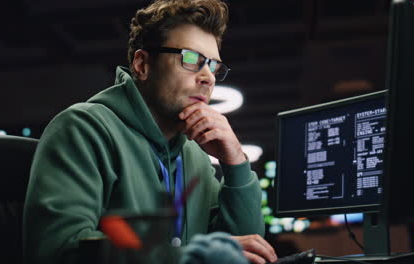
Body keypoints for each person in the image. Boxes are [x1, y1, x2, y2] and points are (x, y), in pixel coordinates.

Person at [23, 0, 278, 263]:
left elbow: (246, 252)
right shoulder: (82, 129)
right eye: (191, 59)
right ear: (142, 65)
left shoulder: (195, 155)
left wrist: (234, 161)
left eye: (213, 66)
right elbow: (58, 251)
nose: (208, 77)